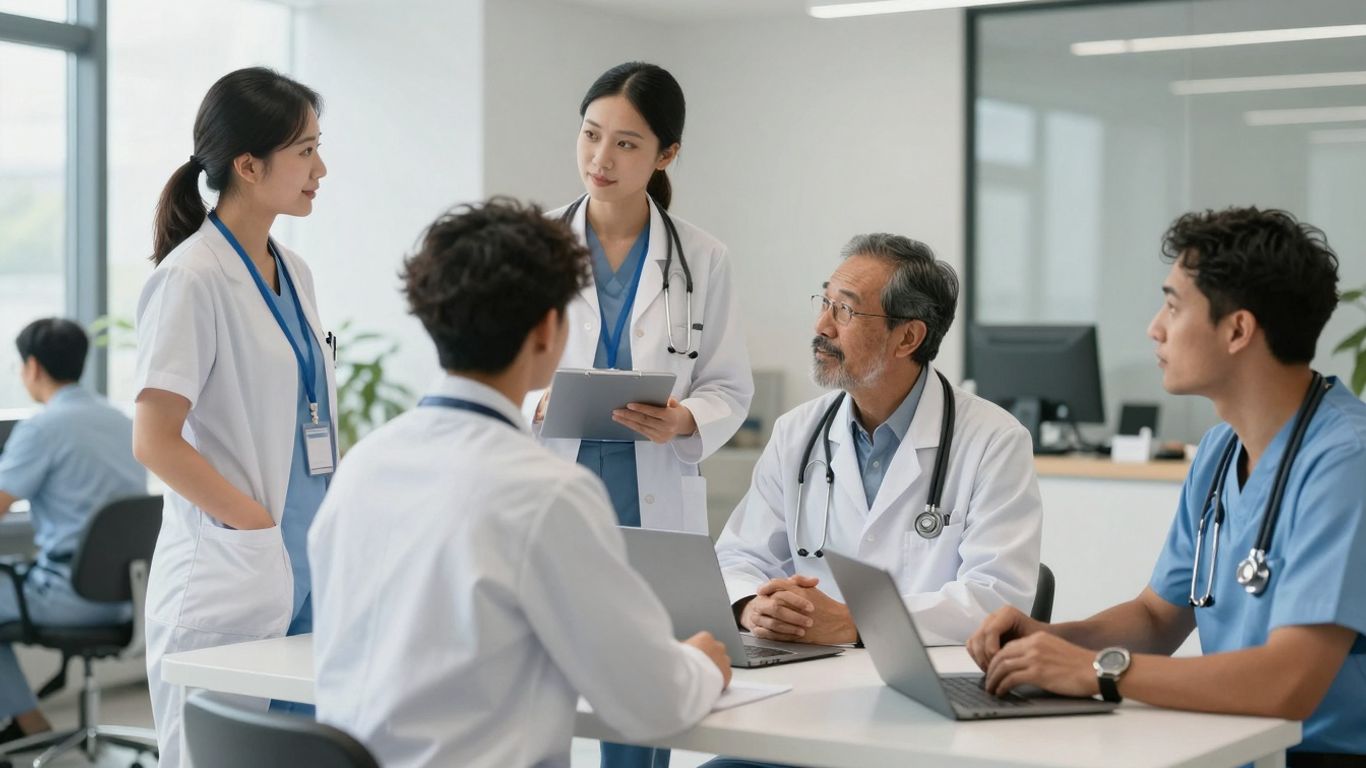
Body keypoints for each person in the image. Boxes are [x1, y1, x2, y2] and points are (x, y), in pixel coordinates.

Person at [310, 198, 730, 768]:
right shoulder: (545, 492)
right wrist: (704, 663)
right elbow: (650, 703)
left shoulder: (365, 466)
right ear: (547, 331)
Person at [967, 207, 1366, 767]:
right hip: (1232, 745)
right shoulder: (1221, 451)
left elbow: (1289, 683)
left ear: (1238, 330)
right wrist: (1051, 640)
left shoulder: (1346, 461)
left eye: (1174, 306)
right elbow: (1157, 618)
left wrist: (1098, 671)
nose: (1154, 328)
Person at [529, 62, 752, 768]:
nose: (601, 159)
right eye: (592, 136)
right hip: (553, 498)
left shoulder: (704, 258)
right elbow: (492, 370)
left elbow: (730, 387)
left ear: (666, 155)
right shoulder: (531, 245)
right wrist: (539, 404)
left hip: (650, 505)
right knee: (544, 691)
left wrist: (687, 420)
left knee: (645, 708)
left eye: (627, 144)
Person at [131, 67, 333, 767]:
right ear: (249, 165)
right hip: (234, 571)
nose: (321, 168)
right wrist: (252, 523)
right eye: (305, 151)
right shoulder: (190, 277)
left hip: (302, 568)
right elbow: (154, 440)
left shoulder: (294, 271)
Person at [714, 233, 1042, 647]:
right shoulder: (796, 432)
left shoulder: (995, 441)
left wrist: (859, 622)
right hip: (811, 671)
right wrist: (750, 605)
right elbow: (739, 555)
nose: (821, 326)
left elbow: (996, 599)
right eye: (825, 302)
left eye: (846, 310)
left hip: (929, 683)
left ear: (907, 338)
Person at [0, 319, 145, 742]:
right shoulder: (122, 421)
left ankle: (30, 723)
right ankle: (27, 721)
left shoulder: (42, 429)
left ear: (31, 368)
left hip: (71, 596)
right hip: (125, 596)